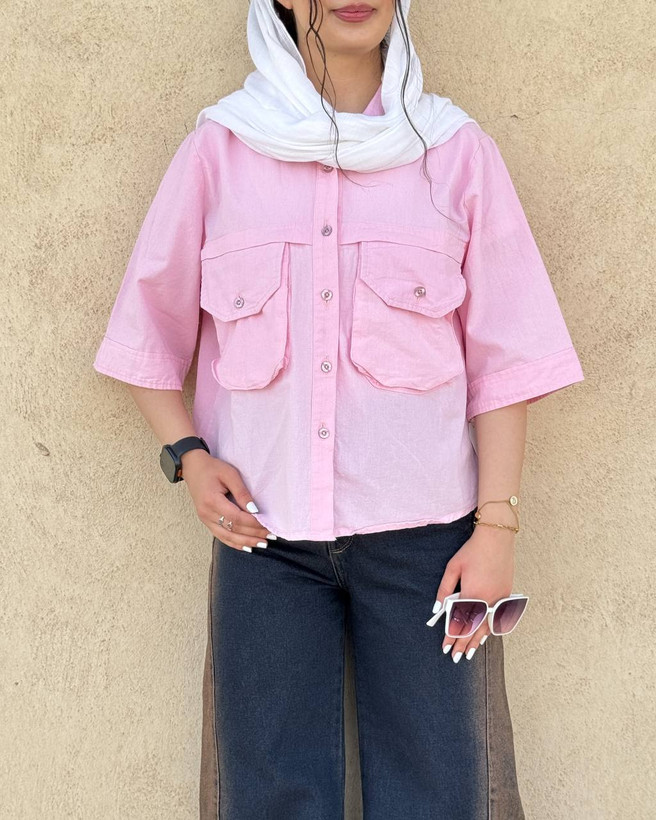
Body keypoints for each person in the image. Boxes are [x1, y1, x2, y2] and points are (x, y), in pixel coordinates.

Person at [93, 1, 585, 817]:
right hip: (266, 544)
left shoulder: (454, 153)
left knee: (441, 793)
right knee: (269, 796)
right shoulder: (221, 149)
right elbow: (146, 332)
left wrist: (496, 528)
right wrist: (189, 456)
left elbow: (507, 358)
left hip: (431, 548)